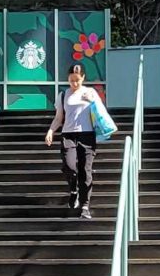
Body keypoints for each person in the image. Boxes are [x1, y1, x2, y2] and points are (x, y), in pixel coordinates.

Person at [43, 63, 114, 220]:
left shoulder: (91, 92)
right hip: (68, 135)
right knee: (69, 166)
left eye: (77, 80)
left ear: (83, 78)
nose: (74, 83)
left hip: (87, 135)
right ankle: (73, 190)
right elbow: (59, 117)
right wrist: (50, 131)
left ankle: (85, 206)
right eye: (71, 80)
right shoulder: (63, 95)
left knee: (85, 170)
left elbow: (101, 112)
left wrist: (93, 101)